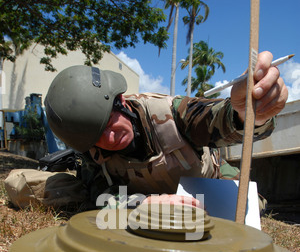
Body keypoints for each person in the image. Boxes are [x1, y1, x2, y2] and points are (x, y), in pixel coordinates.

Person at [45, 51, 288, 209]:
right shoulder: (90, 150)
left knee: (251, 207)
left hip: (207, 182)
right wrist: (143, 203)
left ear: (120, 101)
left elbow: (216, 119)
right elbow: (99, 194)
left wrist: (247, 115)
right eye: (98, 136)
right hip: (150, 197)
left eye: (108, 122)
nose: (109, 136)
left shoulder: (172, 112)